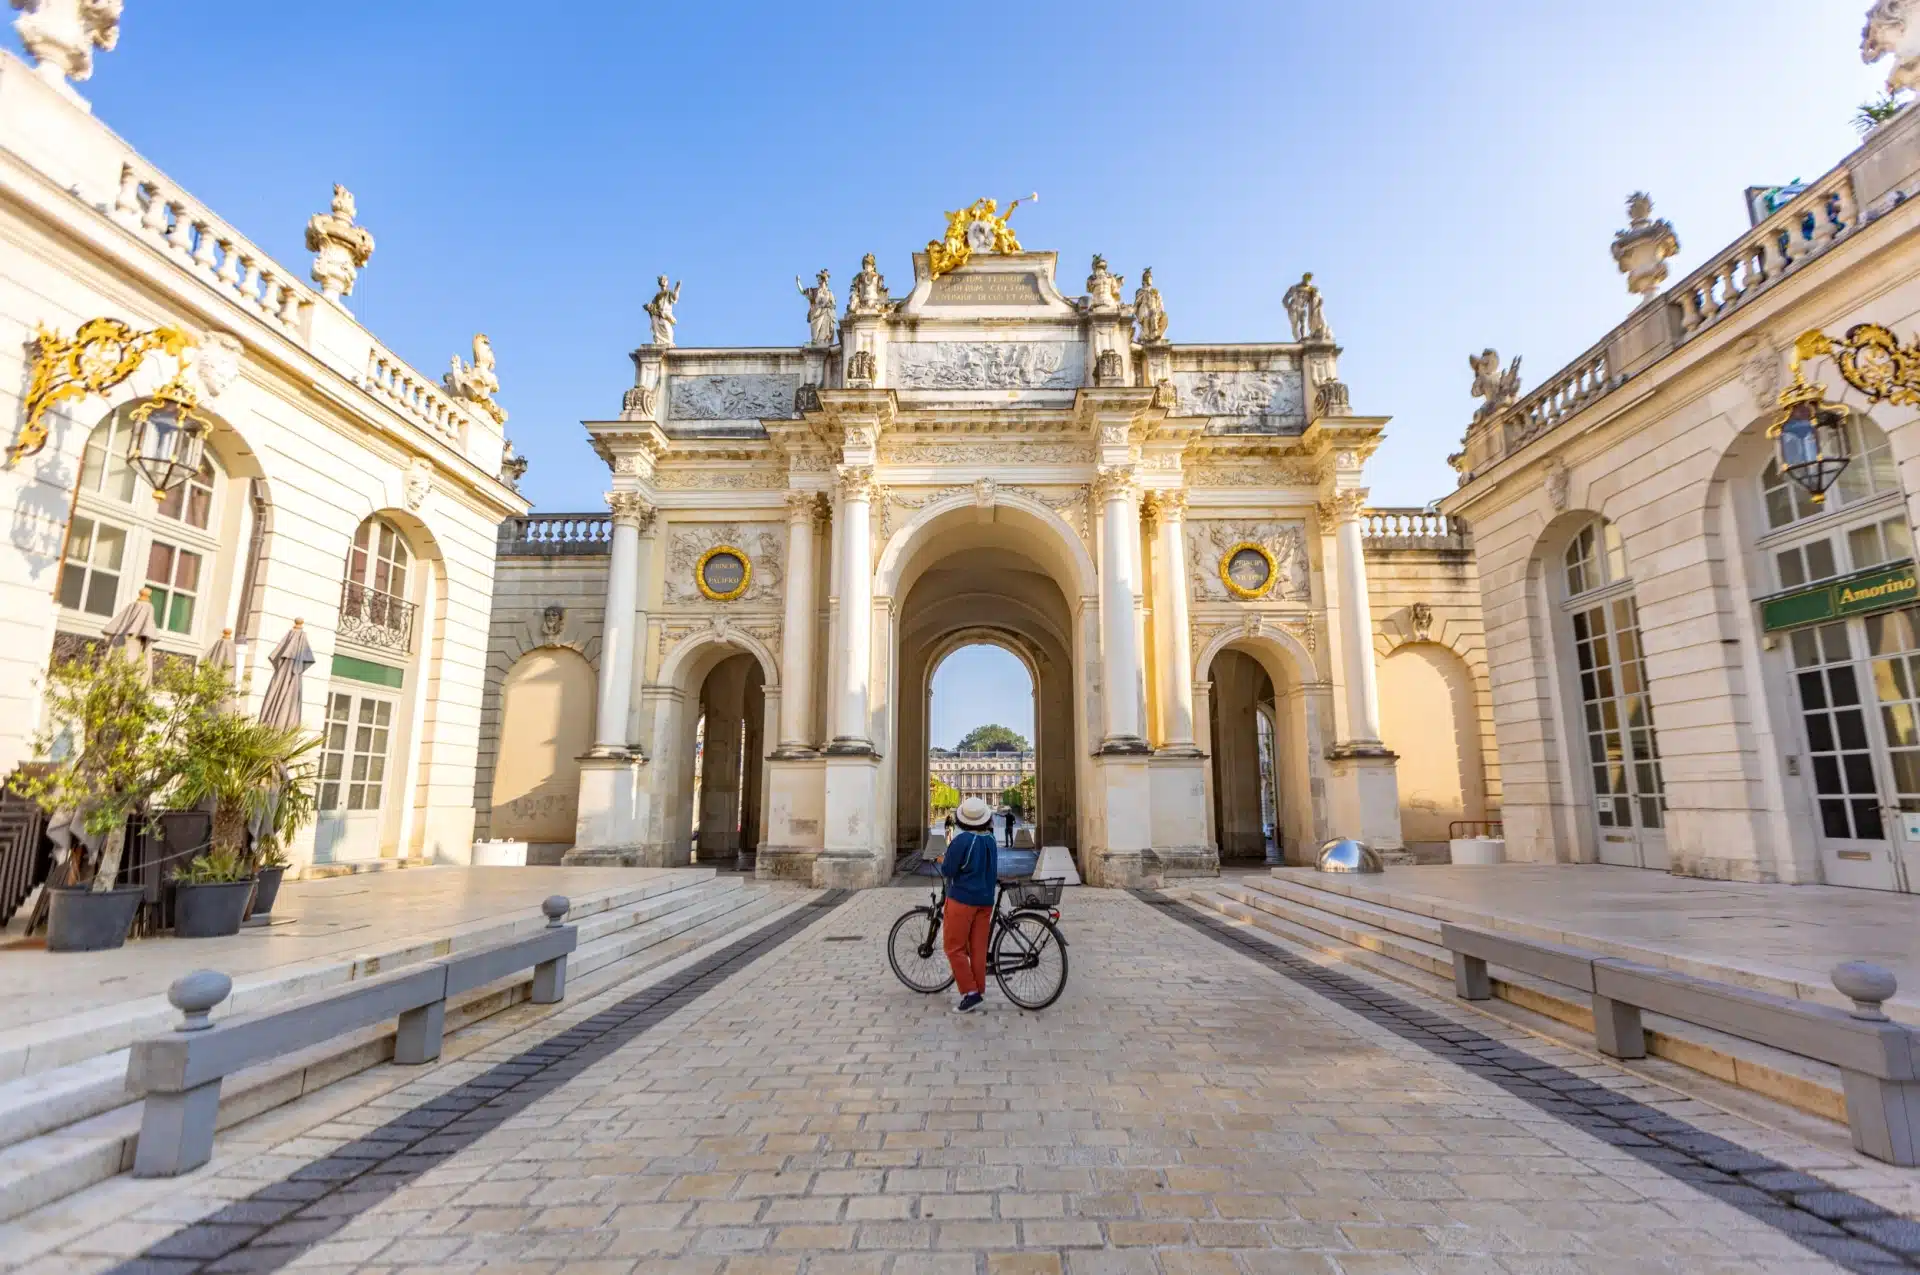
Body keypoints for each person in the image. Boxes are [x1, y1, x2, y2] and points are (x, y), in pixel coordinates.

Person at [940, 796, 999, 1013]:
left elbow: (948, 870)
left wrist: (942, 860)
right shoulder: (991, 840)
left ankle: (970, 992)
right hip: (986, 900)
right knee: (978, 948)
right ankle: (978, 988)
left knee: (954, 947)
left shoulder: (962, 840)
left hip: (963, 900)